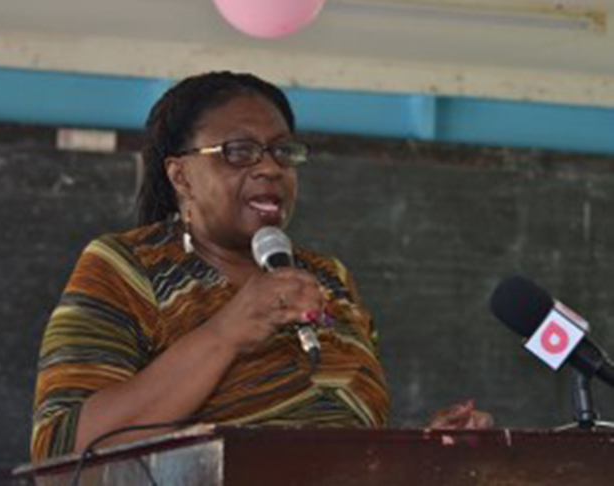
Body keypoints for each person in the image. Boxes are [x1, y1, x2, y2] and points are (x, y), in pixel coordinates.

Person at [30, 71, 491, 462]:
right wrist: (226, 332)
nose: (269, 167)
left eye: (282, 151)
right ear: (180, 175)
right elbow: (63, 451)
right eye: (238, 151)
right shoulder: (128, 267)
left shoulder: (330, 277)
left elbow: (331, 435)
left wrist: (423, 450)